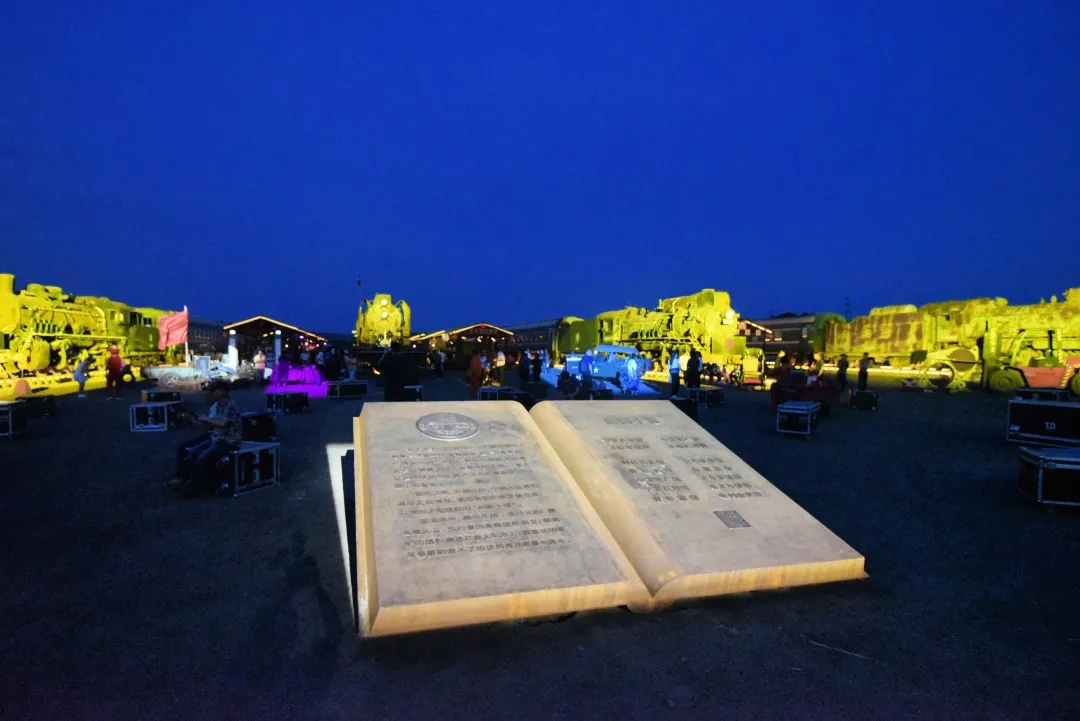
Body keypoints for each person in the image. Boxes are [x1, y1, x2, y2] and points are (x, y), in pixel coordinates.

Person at [168, 381, 243, 497]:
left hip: (229, 441)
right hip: (216, 438)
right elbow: (210, 426)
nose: (211, 393)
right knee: (192, 452)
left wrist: (207, 419)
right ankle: (189, 480)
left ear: (221, 391)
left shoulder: (231, 406)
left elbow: (223, 423)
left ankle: (198, 485)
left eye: (214, 391)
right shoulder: (217, 406)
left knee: (202, 457)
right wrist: (193, 419)